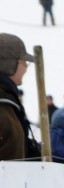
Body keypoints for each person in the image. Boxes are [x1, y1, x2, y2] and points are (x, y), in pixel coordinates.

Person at [0, 34, 39, 162]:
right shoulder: (3, 104)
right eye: (24, 62)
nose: (26, 67)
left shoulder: (9, 100)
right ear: (10, 64)